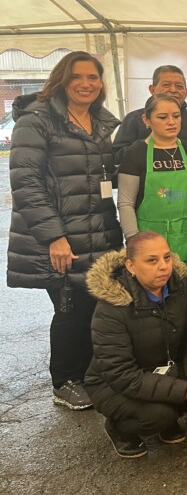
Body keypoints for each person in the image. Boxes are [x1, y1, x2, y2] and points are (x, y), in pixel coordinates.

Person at [7, 51, 123, 410]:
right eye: (78, 77)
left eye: (93, 77)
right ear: (62, 79)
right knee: (69, 308)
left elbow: (103, 176)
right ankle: (65, 381)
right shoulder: (37, 120)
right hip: (60, 237)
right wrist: (53, 237)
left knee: (94, 306)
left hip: (97, 232)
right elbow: (25, 183)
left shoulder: (101, 122)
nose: (86, 84)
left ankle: (89, 375)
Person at [85, 232, 187, 458]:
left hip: (164, 370)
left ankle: (168, 416)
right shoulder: (111, 308)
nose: (164, 266)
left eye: (167, 257)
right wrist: (185, 391)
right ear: (131, 266)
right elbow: (122, 374)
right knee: (158, 415)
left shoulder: (183, 286)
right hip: (111, 384)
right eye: (152, 260)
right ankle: (119, 429)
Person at [117, 94, 187, 305]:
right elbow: (125, 203)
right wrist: (135, 241)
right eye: (162, 117)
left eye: (176, 116)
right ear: (147, 120)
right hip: (152, 244)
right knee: (158, 302)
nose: (171, 122)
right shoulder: (135, 154)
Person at [112, 65, 187, 163]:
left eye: (179, 86)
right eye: (166, 85)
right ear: (152, 90)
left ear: (186, 92)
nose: (173, 90)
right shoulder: (133, 119)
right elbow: (116, 156)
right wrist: (147, 145)